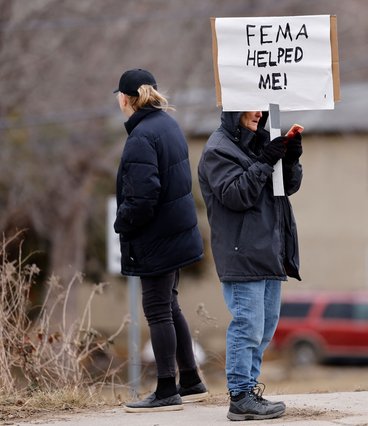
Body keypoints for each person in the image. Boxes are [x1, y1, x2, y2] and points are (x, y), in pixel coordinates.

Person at [113, 68, 208, 412]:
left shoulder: (141, 136)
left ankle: (167, 388)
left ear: (125, 98)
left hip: (156, 237)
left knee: (156, 309)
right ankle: (192, 380)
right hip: (176, 232)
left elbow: (143, 195)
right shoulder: (168, 125)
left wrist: (122, 222)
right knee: (170, 305)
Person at [198, 110, 303, 421]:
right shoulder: (218, 149)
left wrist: (291, 158)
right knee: (248, 325)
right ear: (233, 109)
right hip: (241, 251)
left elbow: (285, 188)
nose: (259, 113)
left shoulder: (259, 143)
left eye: (262, 107)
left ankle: (249, 392)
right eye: (251, 106)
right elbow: (236, 194)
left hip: (269, 250)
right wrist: (266, 161)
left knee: (264, 328)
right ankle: (240, 395)